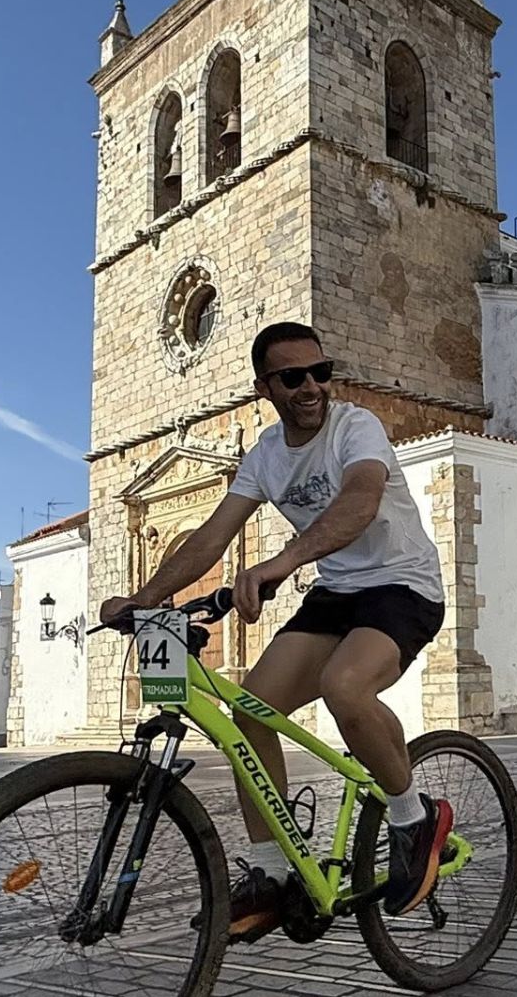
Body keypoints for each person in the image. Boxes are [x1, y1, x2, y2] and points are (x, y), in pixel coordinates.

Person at [99, 322, 452, 942]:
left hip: (403, 586)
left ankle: (412, 818)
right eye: (294, 377)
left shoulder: (355, 427)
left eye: (322, 371)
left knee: (346, 687)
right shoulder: (264, 455)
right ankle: (271, 873)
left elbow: (361, 501)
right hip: (337, 594)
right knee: (252, 714)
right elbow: (211, 536)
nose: (313, 386)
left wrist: (280, 562)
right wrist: (144, 598)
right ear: (266, 387)